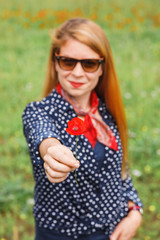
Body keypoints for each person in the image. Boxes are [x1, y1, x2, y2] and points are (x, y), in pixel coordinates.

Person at [22, 18, 143, 240]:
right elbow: (43, 134)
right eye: (68, 62)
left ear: (101, 68)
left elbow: (121, 173)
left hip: (112, 232)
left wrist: (135, 211)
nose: (78, 73)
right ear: (55, 63)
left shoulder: (108, 112)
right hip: (61, 235)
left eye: (89, 64)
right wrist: (52, 152)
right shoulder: (39, 112)